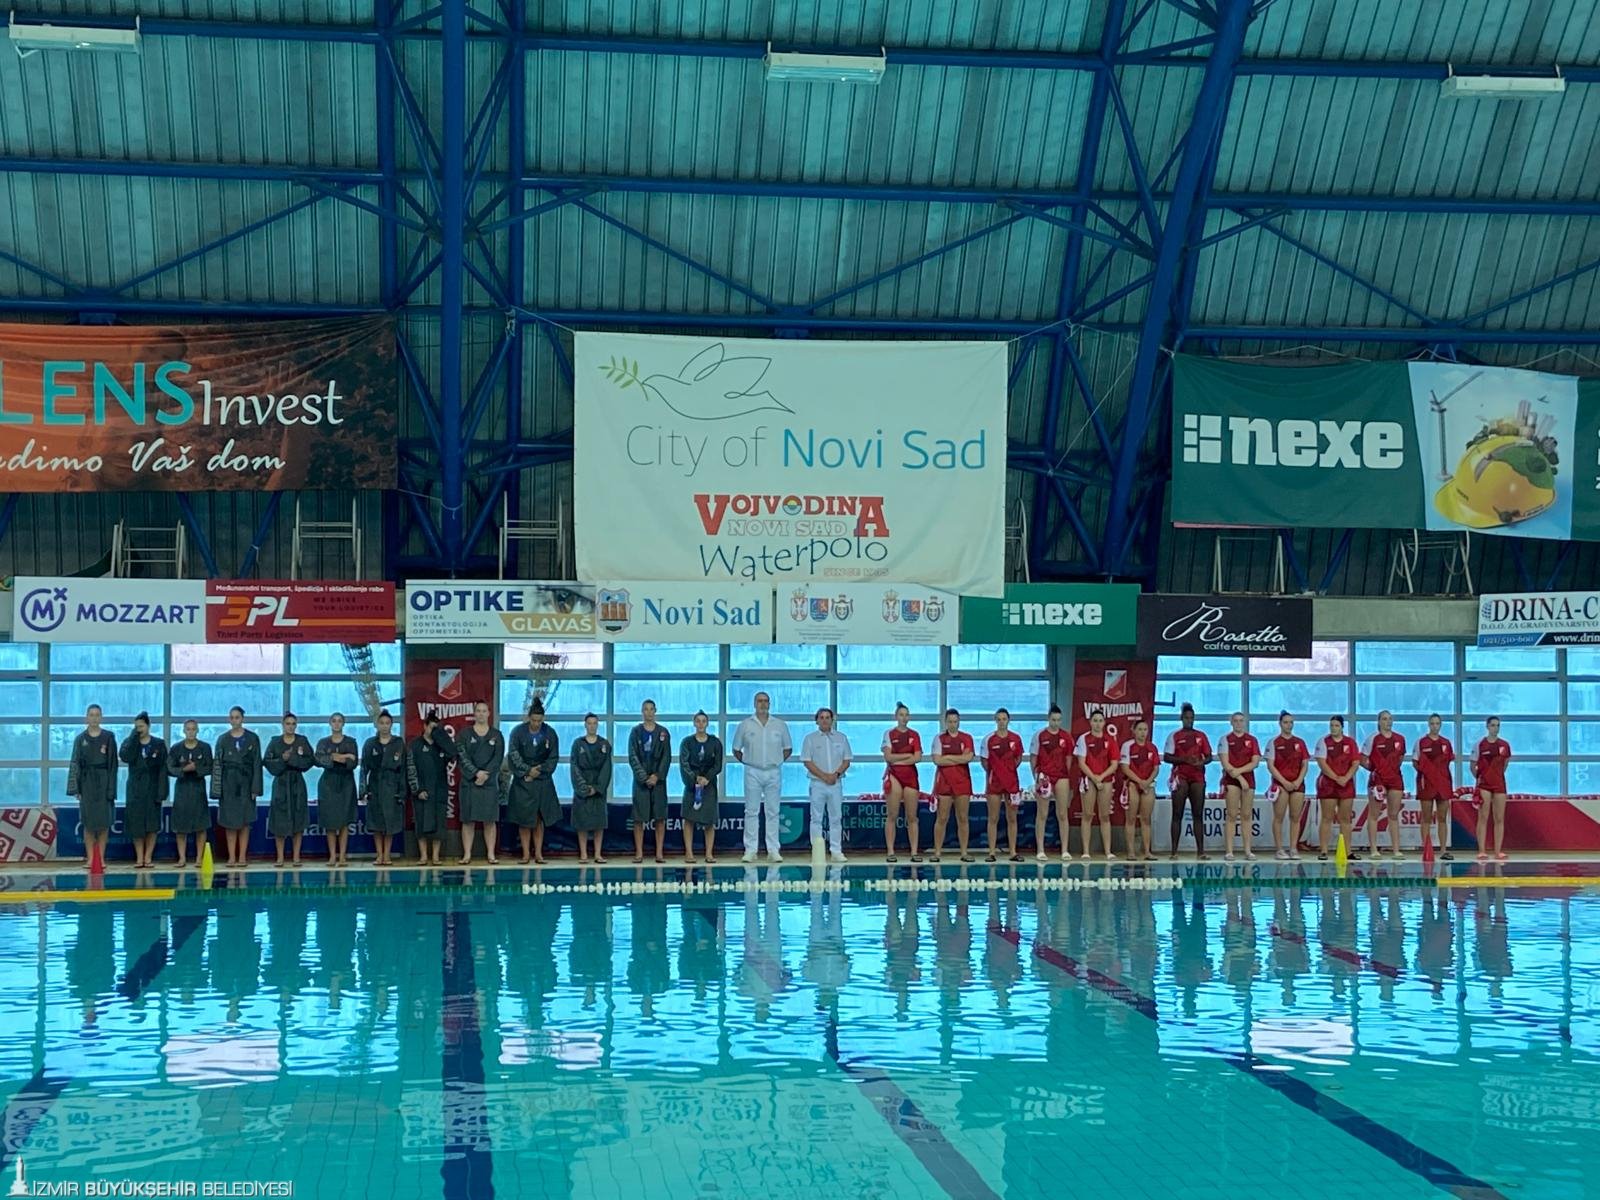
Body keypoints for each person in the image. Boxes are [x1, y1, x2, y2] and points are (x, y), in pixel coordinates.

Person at [733, 691, 793, 864]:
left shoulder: (780, 725)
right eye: (760, 701)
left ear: (770, 704)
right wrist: (748, 762)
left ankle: (773, 850)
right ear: (754, 703)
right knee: (751, 811)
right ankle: (750, 850)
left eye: (766, 701)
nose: (763, 704)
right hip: (752, 771)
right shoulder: (745, 725)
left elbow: (788, 748)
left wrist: (776, 761)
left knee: (773, 811)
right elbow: (736, 749)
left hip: (773, 771)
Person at [508, 699, 561, 865]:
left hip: (542, 780)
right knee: (524, 819)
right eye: (533, 720)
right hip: (523, 781)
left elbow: (553, 757)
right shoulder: (517, 732)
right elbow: (513, 755)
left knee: (539, 818)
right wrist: (527, 771)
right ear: (529, 718)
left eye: (539, 721)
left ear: (543, 719)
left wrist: (539, 770)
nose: (536, 724)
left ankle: (538, 853)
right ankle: (525, 854)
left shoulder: (550, 733)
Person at [210, 707, 262, 868]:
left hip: (246, 783)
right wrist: (216, 790)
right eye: (232, 717)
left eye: (237, 717)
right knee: (230, 822)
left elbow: (257, 764)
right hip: (228, 784)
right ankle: (232, 857)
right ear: (229, 719)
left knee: (245, 822)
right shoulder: (223, 739)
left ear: (242, 718)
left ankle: (242, 856)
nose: (234, 720)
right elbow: (217, 765)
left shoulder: (252, 738)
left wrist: (255, 788)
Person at [407, 709, 458, 867]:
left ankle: (435, 856)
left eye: (437, 729)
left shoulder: (441, 745)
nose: (433, 732)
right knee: (421, 824)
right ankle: (423, 856)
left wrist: (441, 737)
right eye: (431, 728)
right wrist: (417, 790)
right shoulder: (415, 745)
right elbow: (411, 769)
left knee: (439, 824)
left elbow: (453, 753)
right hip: (421, 790)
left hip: (439, 789)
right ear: (425, 726)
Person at [801, 707, 852, 862]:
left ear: (832, 720)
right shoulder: (810, 739)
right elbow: (807, 761)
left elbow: (847, 760)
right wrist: (824, 776)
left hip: (836, 783)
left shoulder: (841, 738)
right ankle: (817, 851)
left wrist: (835, 775)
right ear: (817, 721)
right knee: (816, 818)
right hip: (817, 783)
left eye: (827, 717)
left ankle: (836, 851)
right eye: (821, 717)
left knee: (836, 818)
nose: (824, 720)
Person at [264, 712, 314, 868]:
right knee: (279, 820)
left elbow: (310, 760)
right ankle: (280, 857)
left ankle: (296, 856)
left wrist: (292, 759)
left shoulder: (302, 741)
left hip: (297, 783)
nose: (291, 727)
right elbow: (267, 761)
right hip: (281, 783)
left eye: (293, 724)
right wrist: (282, 760)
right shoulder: (275, 742)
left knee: (298, 820)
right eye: (288, 724)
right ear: (283, 725)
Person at [119, 712, 168, 870]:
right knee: (137, 825)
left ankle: (148, 857)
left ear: (148, 726)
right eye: (136, 727)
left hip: (153, 787)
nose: (139, 729)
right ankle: (139, 857)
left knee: (152, 825)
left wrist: (162, 791)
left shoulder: (159, 744)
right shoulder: (130, 743)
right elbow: (125, 757)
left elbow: (163, 769)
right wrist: (133, 738)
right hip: (135, 788)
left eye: (141, 726)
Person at [458, 700, 504, 865]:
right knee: (468, 821)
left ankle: (491, 854)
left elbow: (497, 758)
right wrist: (476, 773)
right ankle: (467, 854)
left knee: (489, 820)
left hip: (489, 784)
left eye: (484, 711)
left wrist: (485, 775)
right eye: (478, 711)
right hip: (470, 783)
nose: (481, 714)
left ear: (489, 713)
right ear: (474, 713)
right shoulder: (464, 734)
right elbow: (462, 757)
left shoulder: (496, 735)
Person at [361, 710, 409, 867]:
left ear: (391, 725)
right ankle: (379, 854)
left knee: (390, 822)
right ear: (377, 725)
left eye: (387, 723)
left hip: (392, 785)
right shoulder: (370, 744)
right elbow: (364, 768)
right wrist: (363, 790)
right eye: (381, 723)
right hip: (375, 784)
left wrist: (402, 791)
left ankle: (387, 854)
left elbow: (403, 769)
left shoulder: (398, 743)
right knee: (376, 822)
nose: (384, 726)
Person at [1164, 703, 1212, 860]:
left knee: (1198, 814)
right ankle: (1174, 852)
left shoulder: (1201, 736)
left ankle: (1201, 851)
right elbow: (1167, 757)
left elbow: (1209, 756)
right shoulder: (1174, 736)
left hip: (1197, 777)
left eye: (1191, 718)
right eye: (1186, 718)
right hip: (1181, 776)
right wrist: (1184, 759)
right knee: (1177, 813)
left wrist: (1201, 762)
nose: (1189, 721)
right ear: (1181, 718)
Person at [929, 708, 975, 863]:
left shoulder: (967, 738)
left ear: (959, 722)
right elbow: (937, 760)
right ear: (945, 722)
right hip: (944, 782)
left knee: (963, 818)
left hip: (962, 783)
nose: (953, 724)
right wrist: (958, 758)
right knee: (942, 818)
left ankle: (964, 852)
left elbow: (967, 758)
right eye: (950, 722)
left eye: (955, 722)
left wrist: (947, 757)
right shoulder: (939, 739)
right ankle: (937, 852)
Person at [629, 699, 671, 864]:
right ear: (642, 711)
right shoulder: (635, 732)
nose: (648, 712)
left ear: (655, 711)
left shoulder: (663, 733)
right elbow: (632, 757)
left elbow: (666, 757)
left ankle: (659, 853)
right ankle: (639, 853)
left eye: (651, 709)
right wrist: (644, 777)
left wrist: (657, 776)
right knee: (638, 818)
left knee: (660, 817)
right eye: (645, 709)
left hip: (658, 782)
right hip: (641, 782)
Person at [315, 712, 360, 867]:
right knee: (330, 821)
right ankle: (332, 856)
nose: (336, 723)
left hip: (346, 783)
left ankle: (342, 856)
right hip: (328, 783)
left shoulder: (350, 742)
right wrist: (342, 757)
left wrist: (334, 757)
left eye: (339, 721)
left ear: (343, 723)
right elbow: (318, 760)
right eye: (334, 721)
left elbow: (353, 763)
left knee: (344, 821)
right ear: (330, 723)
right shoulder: (323, 742)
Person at [1361, 710, 1408, 859]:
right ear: (1379, 721)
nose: (1388, 722)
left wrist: (1390, 770)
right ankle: (1374, 849)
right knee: (1374, 814)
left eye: (1390, 719)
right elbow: (1362, 759)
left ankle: (1396, 850)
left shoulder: (1400, 739)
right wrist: (1375, 770)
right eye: (1385, 719)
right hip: (1378, 781)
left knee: (1393, 815)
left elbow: (1400, 759)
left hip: (1395, 779)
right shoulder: (1372, 739)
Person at [1315, 715, 1361, 861]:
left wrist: (1346, 778)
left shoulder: (1350, 743)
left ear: (1342, 727)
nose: (1333, 728)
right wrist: (1336, 778)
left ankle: (1348, 851)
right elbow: (1322, 763)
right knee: (1327, 817)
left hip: (1346, 784)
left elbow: (1355, 763)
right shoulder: (1323, 741)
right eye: (1331, 725)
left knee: (1345, 819)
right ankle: (1324, 851)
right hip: (1328, 784)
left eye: (1336, 725)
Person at [167, 719, 212, 868]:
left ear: (197, 730)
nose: (191, 732)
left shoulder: (205, 748)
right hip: (182, 789)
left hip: (198, 789)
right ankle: (182, 858)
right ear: (183, 731)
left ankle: (199, 858)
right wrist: (183, 770)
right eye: (188, 729)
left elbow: (210, 767)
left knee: (200, 826)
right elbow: (169, 768)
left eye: (193, 729)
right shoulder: (176, 748)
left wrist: (197, 769)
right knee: (181, 827)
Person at [981, 708, 1025, 863]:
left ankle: (1013, 852)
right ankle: (992, 852)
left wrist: (1007, 772)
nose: (1001, 722)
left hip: (1012, 783)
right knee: (993, 817)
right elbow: (984, 762)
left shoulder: (1016, 739)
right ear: (995, 720)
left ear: (1008, 720)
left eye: (1004, 719)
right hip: (994, 783)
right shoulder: (988, 739)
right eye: (999, 719)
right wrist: (997, 772)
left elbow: (1018, 759)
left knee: (1012, 818)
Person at [680, 711, 724, 864]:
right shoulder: (687, 742)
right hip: (692, 784)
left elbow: (718, 765)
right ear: (694, 723)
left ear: (707, 723)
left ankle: (709, 853)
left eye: (703, 721)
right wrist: (695, 778)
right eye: (698, 721)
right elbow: (684, 764)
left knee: (709, 820)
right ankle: (689, 853)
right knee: (689, 819)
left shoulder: (715, 743)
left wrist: (707, 778)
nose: (700, 724)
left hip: (709, 784)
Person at [881, 702, 923, 863]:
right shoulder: (889, 734)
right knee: (892, 815)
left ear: (909, 717)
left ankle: (914, 852)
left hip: (910, 776)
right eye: (901, 715)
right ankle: (890, 851)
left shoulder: (915, 735)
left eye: (906, 715)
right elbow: (888, 757)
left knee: (912, 816)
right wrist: (907, 756)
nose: (904, 718)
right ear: (896, 717)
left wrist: (897, 759)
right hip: (894, 776)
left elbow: (917, 757)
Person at [1075, 709, 1119, 860]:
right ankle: (1086, 851)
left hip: (1105, 780)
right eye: (1095, 721)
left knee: (1105, 816)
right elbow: (1081, 763)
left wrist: (1101, 777)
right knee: (1087, 815)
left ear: (1104, 723)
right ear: (1090, 722)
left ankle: (1108, 851)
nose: (1098, 724)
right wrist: (1094, 778)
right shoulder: (1083, 739)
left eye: (1100, 721)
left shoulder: (1110, 740)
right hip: (1089, 779)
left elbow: (1114, 764)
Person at [1030, 705, 1072, 861]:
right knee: (1042, 813)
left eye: (1059, 720)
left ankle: (1065, 850)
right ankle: (1040, 850)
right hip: (1044, 776)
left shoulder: (1066, 737)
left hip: (1061, 777)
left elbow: (1069, 759)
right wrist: (1036, 778)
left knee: (1062, 814)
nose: (1056, 723)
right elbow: (1033, 758)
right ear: (1048, 719)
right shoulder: (1039, 735)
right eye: (1053, 720)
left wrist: (1064, 776)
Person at [570, 712, 612, 864]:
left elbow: (607, 768)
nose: (592, 726)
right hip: (582, 788)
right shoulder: (578, 744)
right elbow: (574, 766)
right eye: (589, 723)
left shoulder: (604, 744)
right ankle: (583, 854)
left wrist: (597, 787)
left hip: (598, 787)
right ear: (585, 725)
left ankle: (598, 854)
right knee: (582, 822)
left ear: (598, 725)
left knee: (599, 822)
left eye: (595, 723)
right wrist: (583, 787)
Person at [1219, 711, 1261, 862]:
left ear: (1244, 722)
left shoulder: (1252, 740)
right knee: (1231, 815)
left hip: (1248, 779)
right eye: (1235, 720)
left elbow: (1255, 762)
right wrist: (1239, 778)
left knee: (1246, 815)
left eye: (1241, 720)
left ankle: (1248, 850)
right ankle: (1229, 851)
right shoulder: (1225, 739)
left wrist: (1240, 773)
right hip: (1232, 780)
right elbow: (1225, 763)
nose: (1238, 723)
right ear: (1231, 722)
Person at [1267, 711, 1309, 862]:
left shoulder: (1300, 742)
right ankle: (1279, 849)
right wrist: (1284, 782)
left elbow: (1305, 764)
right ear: (1280, 724)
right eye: (1286, 722)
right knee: (1279, 817)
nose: (1289, 725)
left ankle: (1293, 848)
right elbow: (1270, 766)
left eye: (1291, 722)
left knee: (1295, 817)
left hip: (1297, 784)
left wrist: (1298, 781)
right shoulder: (1273, 742)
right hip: (1280, 784)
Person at [1414, 712, 1456, 861]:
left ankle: (1443, 850)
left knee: (1442, 818)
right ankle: (1427, 849)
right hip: (1426, 784)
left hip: (1443, 784)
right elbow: (1415, 762)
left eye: (1437, 723)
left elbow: (1448, 761)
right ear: (1428, 725)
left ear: (1441, 725)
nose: (1435, 726)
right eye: (1432, 723)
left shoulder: (1446, 743)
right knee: (1426, 817)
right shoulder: (1421, 742)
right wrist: (1427, 774)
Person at [1120, 718, 1160, 862]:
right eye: (1140, 730)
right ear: (1134, 731)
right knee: (1130, 819)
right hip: (1132, 784)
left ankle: (1147, 851)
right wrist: (1140, 781)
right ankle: (1131, 852)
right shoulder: (1127, 746)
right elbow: (1125, 767)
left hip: (1148, 785)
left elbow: (1156, 768)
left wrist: (1147, 782)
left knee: (1146, 819)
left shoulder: (1152, 747)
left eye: (1145, 730)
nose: (1143, 733)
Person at [1473, 716, 1512, 862]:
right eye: (1493, 725)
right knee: (1483, 817)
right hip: (1484, 785)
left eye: (1498, 725)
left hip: (1499, 784)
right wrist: (1481, 778)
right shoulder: (1480, 744)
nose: (1496, 728)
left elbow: (1505, 765)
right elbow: (1472, 765)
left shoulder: (1505, 745)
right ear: (1487, 727)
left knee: (1499, 818)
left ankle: (1497, 851)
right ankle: (1482, 850)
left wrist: (1496, 776)